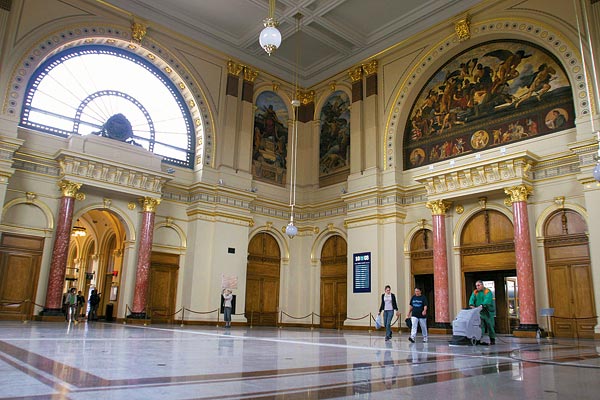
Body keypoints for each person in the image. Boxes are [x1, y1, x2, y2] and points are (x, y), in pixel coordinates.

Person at [469, 280, 496, 345]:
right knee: (480, 326)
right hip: (479, 312)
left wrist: (482, 305)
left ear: (482, 285)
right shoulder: (475, 292)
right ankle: (478, 339)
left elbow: (487, 299)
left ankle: (492, 340)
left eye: (478, 285)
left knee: (490, 326)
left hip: (488, 312)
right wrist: (471, 305)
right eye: (476, 286)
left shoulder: (487, 291)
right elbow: (471, 299)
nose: (477, 287)